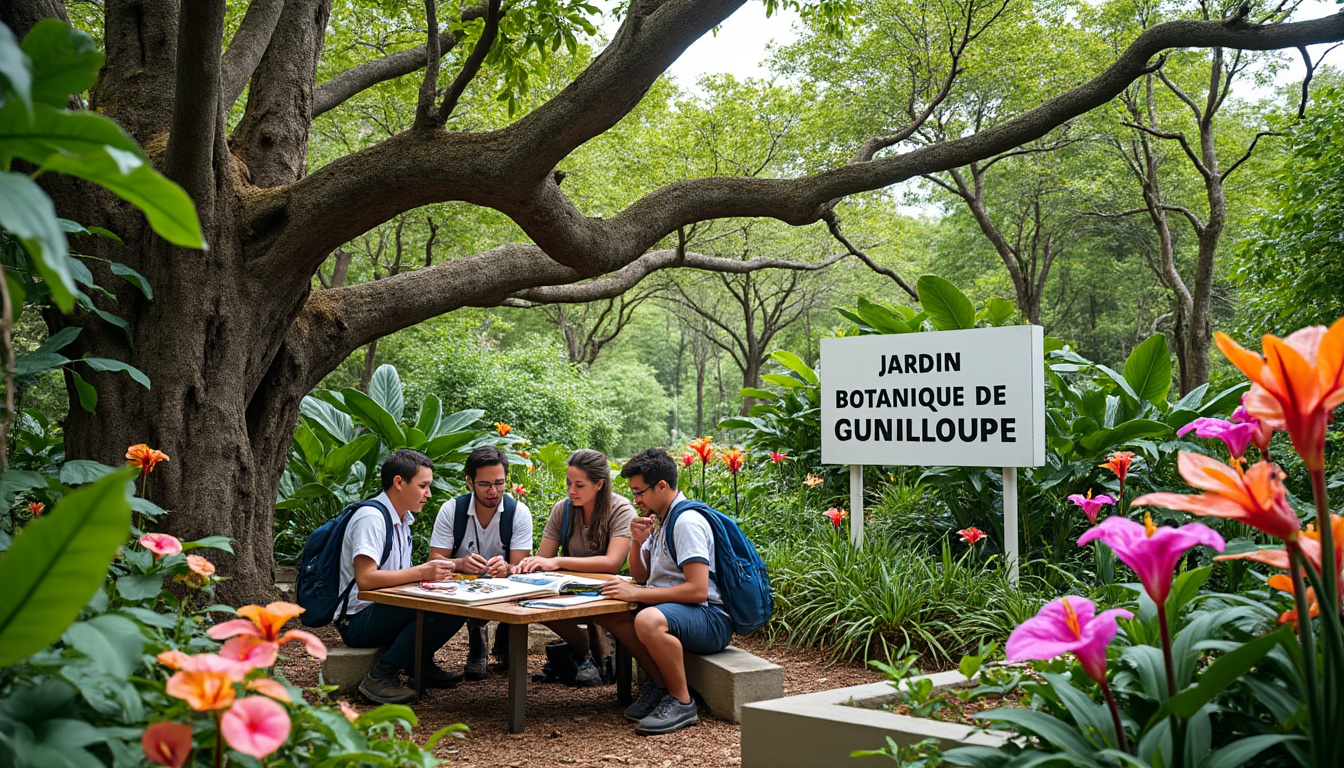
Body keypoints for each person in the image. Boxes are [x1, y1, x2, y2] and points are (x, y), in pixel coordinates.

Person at [597, 448, 732, 735]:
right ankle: (659, 686)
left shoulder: (686, 523)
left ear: (661, 486)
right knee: (611, 613)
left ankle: (682, 701)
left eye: (639, 492)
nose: (636, 500)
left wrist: (637, 595)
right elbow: (641, 575)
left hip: (710, 619)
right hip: (681, 611)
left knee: (646, 619)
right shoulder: (661, 519)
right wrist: (636, 542)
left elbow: (697, 591)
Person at [337, 449, 465, 705]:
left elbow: (398, 577)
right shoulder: (371, 518)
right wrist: (422, 572)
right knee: (445, 608)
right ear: (398, 482)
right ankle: (381, 676)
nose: (428, 493)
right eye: (423, 486)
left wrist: (452, 566)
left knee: (457, 602)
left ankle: (419, 665)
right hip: (358, 620)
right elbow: (366, 580)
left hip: (383, 608)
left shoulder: (402, 520)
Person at [513, 448, 636, 686]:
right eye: (569, 483)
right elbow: (543, 558)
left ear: (599, 484)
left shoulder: (621, 510)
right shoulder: (563, 509)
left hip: (606, 589)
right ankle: (580, 648)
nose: (571, 491)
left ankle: (589, 655)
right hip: (567, 588)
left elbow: (612, 563)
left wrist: (558, 562)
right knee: (529, 601)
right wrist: (523, 567)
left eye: (579, 485)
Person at [429, 445, 533, 679]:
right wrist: (459, 564)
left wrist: (506, 568)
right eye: (485, 485)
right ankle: (477, 644)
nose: (493, 491)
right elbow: (435, 559)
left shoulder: (519, 513)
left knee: (523, 584)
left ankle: (505, 644)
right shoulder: (452, 510)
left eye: (499, 483)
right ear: (469, 482)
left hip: (506, 588)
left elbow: (521, 566)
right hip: (461, 586)